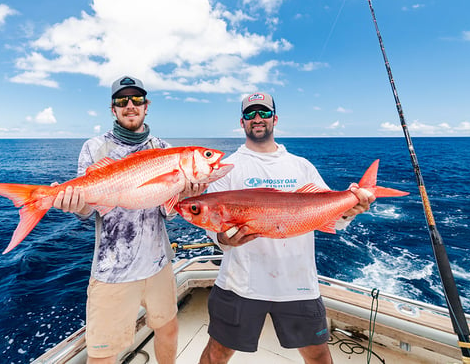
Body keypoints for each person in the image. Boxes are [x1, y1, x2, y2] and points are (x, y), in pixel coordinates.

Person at [199, 92, 376, 364]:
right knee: (217, 353)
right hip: (240, 283)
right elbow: (215, 227)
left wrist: (351, 208)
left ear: (275, 118)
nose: (257, 119)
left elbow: (330, 216)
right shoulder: (227, 168)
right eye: (250, 114)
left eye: (264, 113)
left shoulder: (301, 166)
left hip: (298, 283)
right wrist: (222, 238)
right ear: (242, 122)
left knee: (318, 355)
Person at [52, 76, 204, 364]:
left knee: (169, 329)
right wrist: (73, 205)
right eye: (122, 101)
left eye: (137, 100)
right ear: (113, 109)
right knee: (103, 354)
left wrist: (185, 193)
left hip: (158, 264)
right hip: (112, 271)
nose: (130, 105)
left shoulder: (163, 147)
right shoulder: (95, 148)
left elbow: (167, 211)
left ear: (147, 107)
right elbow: (88, 210)